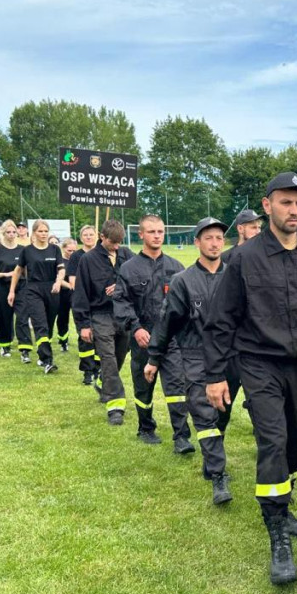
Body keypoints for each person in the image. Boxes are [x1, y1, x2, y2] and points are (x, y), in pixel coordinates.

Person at [204, 171, 297, 585]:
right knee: (274, 441)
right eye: (286, 202)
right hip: (258, 363)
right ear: (267, 206)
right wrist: (214, 376)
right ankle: (277, 532)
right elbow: (218, 320)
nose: (294, 210)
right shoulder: (243, 258)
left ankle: (284, 498)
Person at [146, 217, 239, 504]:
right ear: (196, 242)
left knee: (222, 412)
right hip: (196, 356)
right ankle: (218, 475)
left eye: (219, 238)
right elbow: (167, 322)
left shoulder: (235, 276)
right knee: (205, 415)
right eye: (208, 238)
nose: (214, 243)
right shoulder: (183, 281)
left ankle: (211, 458)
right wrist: (154, 357)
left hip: (233, 357)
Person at [114, 214, 193, 452]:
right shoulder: (129, 269)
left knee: (177, 388)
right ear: (141, 235)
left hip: (171, 341)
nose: (157, 236)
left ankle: (181, 436)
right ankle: (146, 428)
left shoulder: (176, 267)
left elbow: (185, 304)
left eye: (160, 231)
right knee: (143, 387)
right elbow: (121, 301)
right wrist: (135, 327)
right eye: (152, 232)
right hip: (143, 339)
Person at [72, 220, 133, 425]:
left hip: (123, 315)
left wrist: (119, 287)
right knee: (107, 358)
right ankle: (115, 406)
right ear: (102, 237)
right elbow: (80, 293)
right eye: (113, 242)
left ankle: (102, 381)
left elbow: (137, 281)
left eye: (119, 242)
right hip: (100, 315)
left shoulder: (126, 255)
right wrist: (83, 325)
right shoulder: (88, 260)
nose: (116, 246)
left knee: (119, 357)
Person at [9, 220, 64, 374]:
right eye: (40, 231)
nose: (43, 234)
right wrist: (12, 291)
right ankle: (48, 361)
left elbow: (61, 269)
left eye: (46, 231)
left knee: (49, 326)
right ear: (34, 233)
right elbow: (18, 271)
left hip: (52, 289)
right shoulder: (27, 251)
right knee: (40, 325)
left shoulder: (55, 249)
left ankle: (42, 353)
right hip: (33, 289)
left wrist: (59, 282)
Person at [68, 225, 102, 386]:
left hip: (101, 303)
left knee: (100, 337)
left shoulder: (102, 254)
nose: (89, 237)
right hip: (83, 302)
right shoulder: (77, 256)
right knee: (85, 338)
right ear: (81, 238)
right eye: (85, 235)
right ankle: (88, 371)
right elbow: (73, 281)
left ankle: (99, 368)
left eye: (91, 234)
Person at [0, 220, 24, 358]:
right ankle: (5, 345)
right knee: (4, 316)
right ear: (3, 233)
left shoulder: (22, 250)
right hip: (3, 287)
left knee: (22, 317)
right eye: (9, 232)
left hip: (21, 287)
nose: (12, 234)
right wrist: (5, 274)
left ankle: (24, 347)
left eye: (14, 232)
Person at [56, 237, 78, 352]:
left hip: (76, 294)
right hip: (63, 294)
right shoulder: (60, 261)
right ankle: (63, 341)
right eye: (69, 251)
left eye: (74, 251)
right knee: (63, 318)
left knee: (79, 318)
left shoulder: (78, 259)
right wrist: (69, 285)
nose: (72, 253)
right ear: (63, 249)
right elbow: (58, 277)